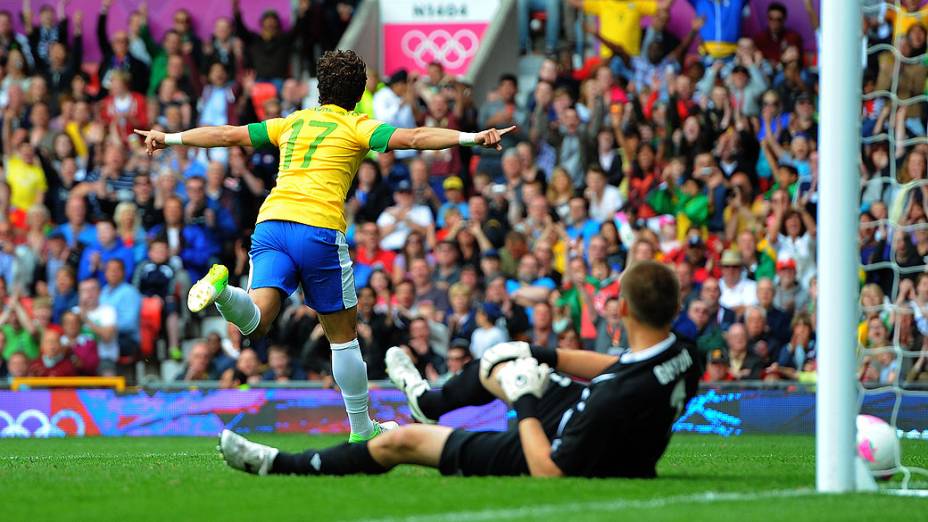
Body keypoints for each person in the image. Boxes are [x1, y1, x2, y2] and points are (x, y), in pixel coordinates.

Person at [135, 49, 513, 444]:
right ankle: (361, 428)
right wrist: (473, 137)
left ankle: (223, 292)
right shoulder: (357, 126)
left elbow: (228, 134)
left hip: (272, 223)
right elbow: (415, 137)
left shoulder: (292, 122)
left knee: (256, 322)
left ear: (320, 89)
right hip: (318, 230)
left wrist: (169, 137)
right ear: (358, 92)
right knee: (343, 336)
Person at [218, 260, 698, 479]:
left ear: (625, 313)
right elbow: (621, 365)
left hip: (562, 445)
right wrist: (539, 355)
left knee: (398, 441)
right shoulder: (686, 354)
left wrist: (526, 399)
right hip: (603, 426)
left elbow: (549, 471)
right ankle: (429, 401)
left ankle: (277, 464)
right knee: (501, 357)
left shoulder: (614, 399)